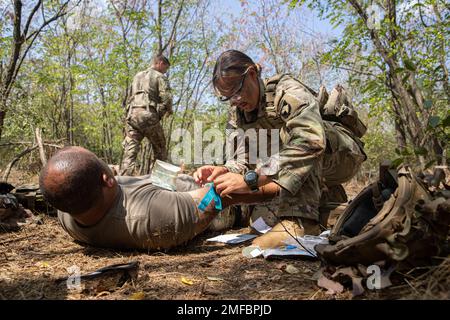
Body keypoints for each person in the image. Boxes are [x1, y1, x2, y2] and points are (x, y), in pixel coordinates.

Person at [194, 50, 366, 249]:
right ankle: (328, 201)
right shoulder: (238, 115)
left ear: (251, 74)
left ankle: (301, 222)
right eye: (228, 97)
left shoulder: (286, 92)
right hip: (306, 169)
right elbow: (241, 161)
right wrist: (225, 171)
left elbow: (309, 141)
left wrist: (251, 179)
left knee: (293, 137)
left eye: (237, 90)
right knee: (260, 221)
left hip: (341, 153)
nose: (236, 100)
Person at [39, 146, 278, 250]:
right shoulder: (152, 216)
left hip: (184, 187)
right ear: (107, 181)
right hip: (235, 209)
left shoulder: (68, 207)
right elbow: (224, 195)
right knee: (272, 159)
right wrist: (277, 186)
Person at [120, 54, 173, 176]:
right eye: (166, 68)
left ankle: (123, 182)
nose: (165, 72)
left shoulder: (137, 76)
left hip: (132, 116)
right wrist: (161, 113)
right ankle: (161, 182)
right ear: (160, 63)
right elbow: (167, 98)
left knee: (130, 152)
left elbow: (128, 97)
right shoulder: (159, 76)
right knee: (160, 150)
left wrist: (128, 116)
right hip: (148, 115)